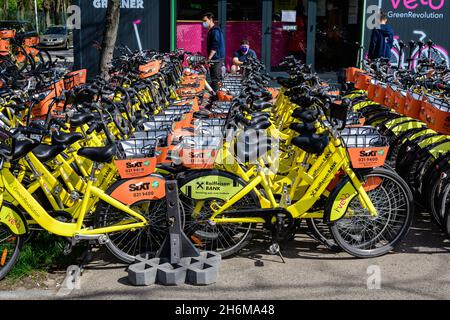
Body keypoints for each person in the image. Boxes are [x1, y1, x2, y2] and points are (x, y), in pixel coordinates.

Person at [202, 12, 225, 92]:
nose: (203, 23)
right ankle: (217, 96)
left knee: (215, 79)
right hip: (215, 58)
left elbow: (215, 46)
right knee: (215, 79)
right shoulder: (212, 30)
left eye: (205, 20)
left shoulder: (215, 31)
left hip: (216, 59)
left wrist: (209, 58)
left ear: (211, 19)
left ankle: (218, 98)